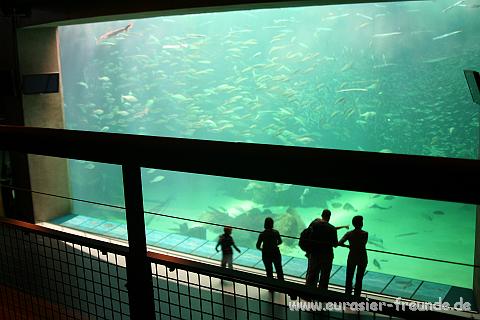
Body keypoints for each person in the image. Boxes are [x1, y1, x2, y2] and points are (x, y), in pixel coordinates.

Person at [305, 209, 338, 290]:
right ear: (329, 217)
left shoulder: (313, 224)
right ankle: (321, 296)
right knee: (324, 276)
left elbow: (307, 235)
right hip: (327, 255)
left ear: (321, 215)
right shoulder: (332, 228)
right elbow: (335, 244)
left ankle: (309, 294)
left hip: (314, 254)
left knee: (312, 274)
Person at [339, 215, 368, 297]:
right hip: (362, 257)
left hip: (352, 256)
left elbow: (340, 243)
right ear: (361, 223)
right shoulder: (365, 234)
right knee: (359, 278)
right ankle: (356, 297)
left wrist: (348, 246)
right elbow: (362, 244)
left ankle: (347, 296)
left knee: (349, 277)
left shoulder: (349, 233)